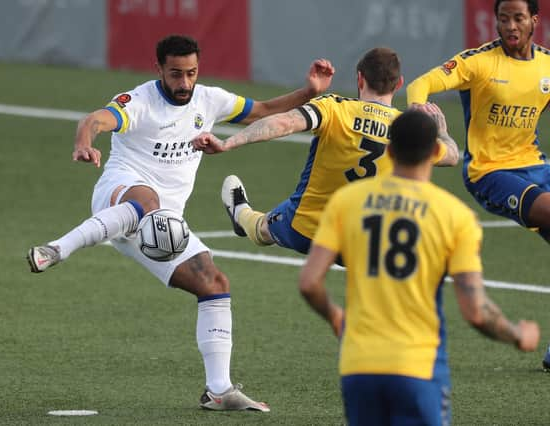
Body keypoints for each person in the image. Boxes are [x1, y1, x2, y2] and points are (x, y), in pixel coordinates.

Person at [25, 34, 335, 411]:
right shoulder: (138, 101)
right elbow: (95, 120)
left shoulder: (209, 99)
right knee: (147, 200)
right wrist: (83, 142)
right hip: (119, 195)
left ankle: (218, 390)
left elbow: (263, 109)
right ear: (159, 69)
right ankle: (58, 248)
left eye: (191, 73)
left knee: (215, 283)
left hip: (164, 227)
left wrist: (310, 90)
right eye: (175, 74)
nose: (184, 83)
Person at [298, 109, 540, 425]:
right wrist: (517, 334)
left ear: (390, 150)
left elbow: (309, 282)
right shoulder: (455, 215)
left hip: (359, 365)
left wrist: (335, 315)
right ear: (436, 152)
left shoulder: (347, 201)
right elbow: (476, 312)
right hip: (418, 367)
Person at [193, 47, 458, 257]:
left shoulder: (334, 107)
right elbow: (452, 156)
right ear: (399, 83)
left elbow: (283, 123)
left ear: (359, 78)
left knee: (263, 229)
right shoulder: (406, 128)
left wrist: (229, 143)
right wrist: (442, 130)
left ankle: (241, 214)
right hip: (363, 242)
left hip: (307, 228)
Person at [407, 0, 550, 244]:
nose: (510, 26)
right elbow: (420, 85)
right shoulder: (478, 62)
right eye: (503, 19)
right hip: (489, 171)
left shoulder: (546, 63)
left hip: (535, 164)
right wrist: (417, 117)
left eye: (518, 18)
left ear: (534, 20)